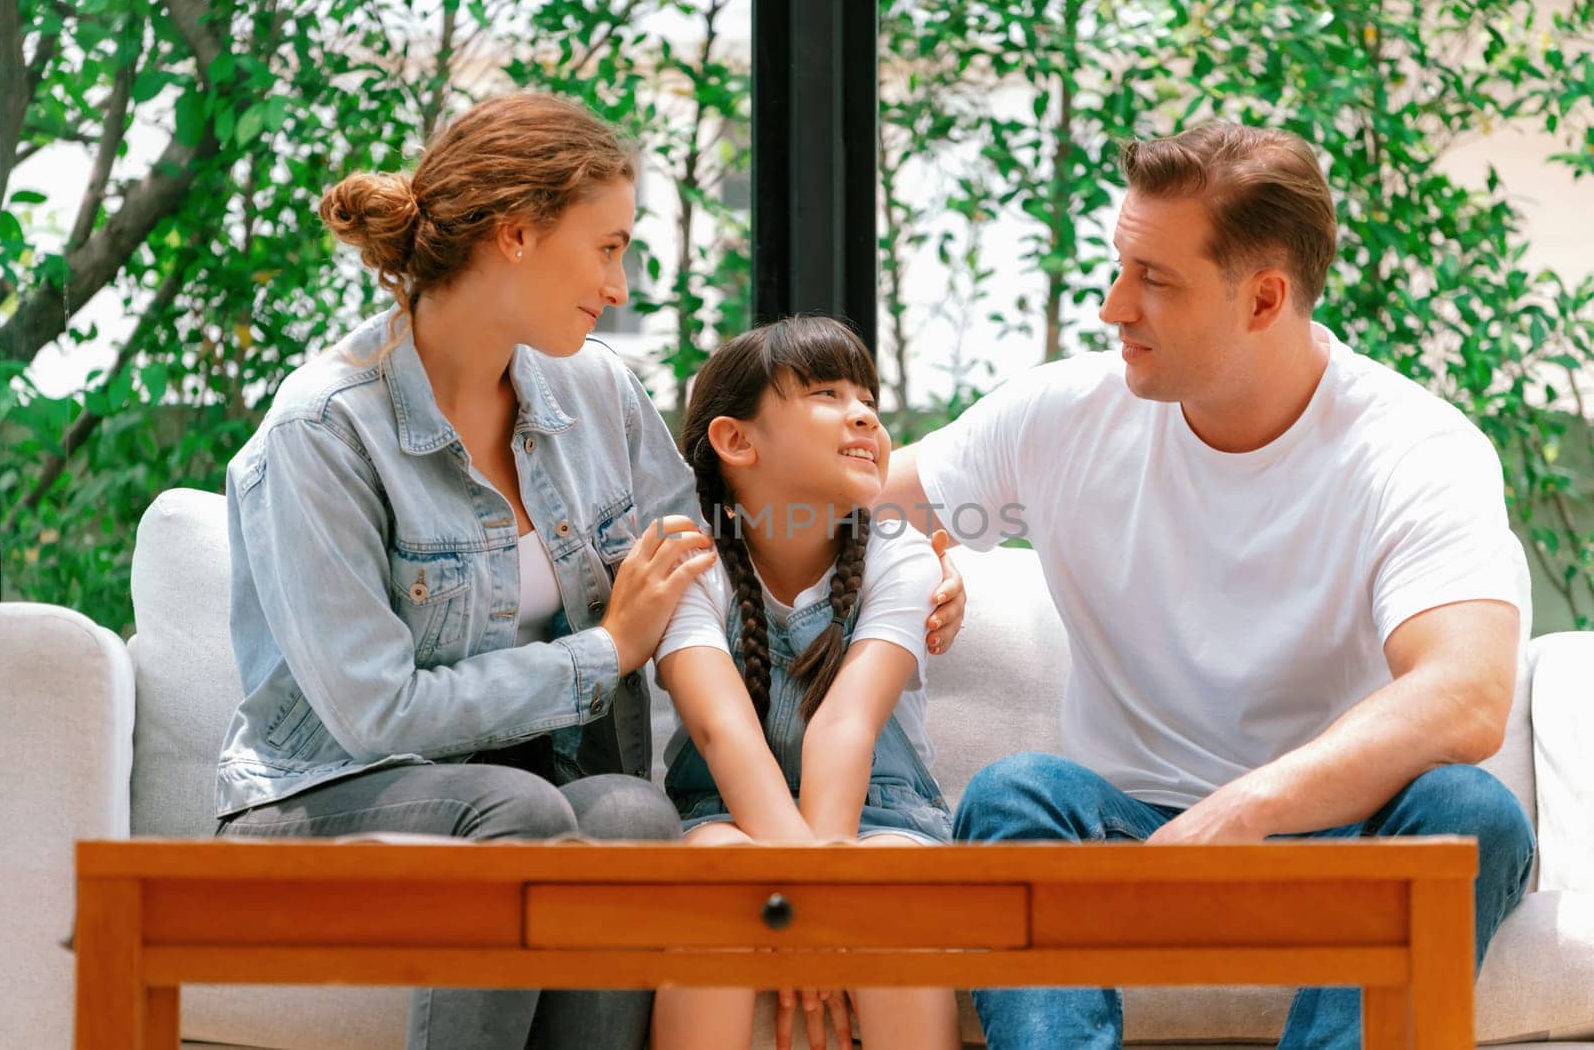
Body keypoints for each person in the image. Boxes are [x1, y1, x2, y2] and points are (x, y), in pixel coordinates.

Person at [217, 90, 966, 1050]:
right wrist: (604, 650)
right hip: (331, 789)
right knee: (523, 809)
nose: (619, 286)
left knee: (627, 808)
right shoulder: (325, 430)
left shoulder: (593, 389)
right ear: (516, 234)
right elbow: (375, 710)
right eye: (607, 247)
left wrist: (912, 549)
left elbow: (722, 539)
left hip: (528, 787)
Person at [877, 122, 1536, 1049]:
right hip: (1124, 833)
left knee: (1471, 813)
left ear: (1264, 299)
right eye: (1120, 267)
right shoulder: (1064, 413)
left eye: (1155, 279)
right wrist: (910, 551)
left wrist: (1247, 807)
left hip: (1336, 840)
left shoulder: (1414, 450)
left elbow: (1465, 693)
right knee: (1013, 792)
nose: (1113, 307)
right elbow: (835, 506)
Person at [649, 318, 962, 1050]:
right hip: (720, 813)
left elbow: (843, 726)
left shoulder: (901, 555)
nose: (865, 413)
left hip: (885, 819)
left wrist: (812, 907)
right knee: (719, 877)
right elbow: (719, 730)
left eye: (867, 396)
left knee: (887, 890)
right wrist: (799, 900)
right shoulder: (687, 561)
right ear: (736, 442)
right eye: (826, 392)